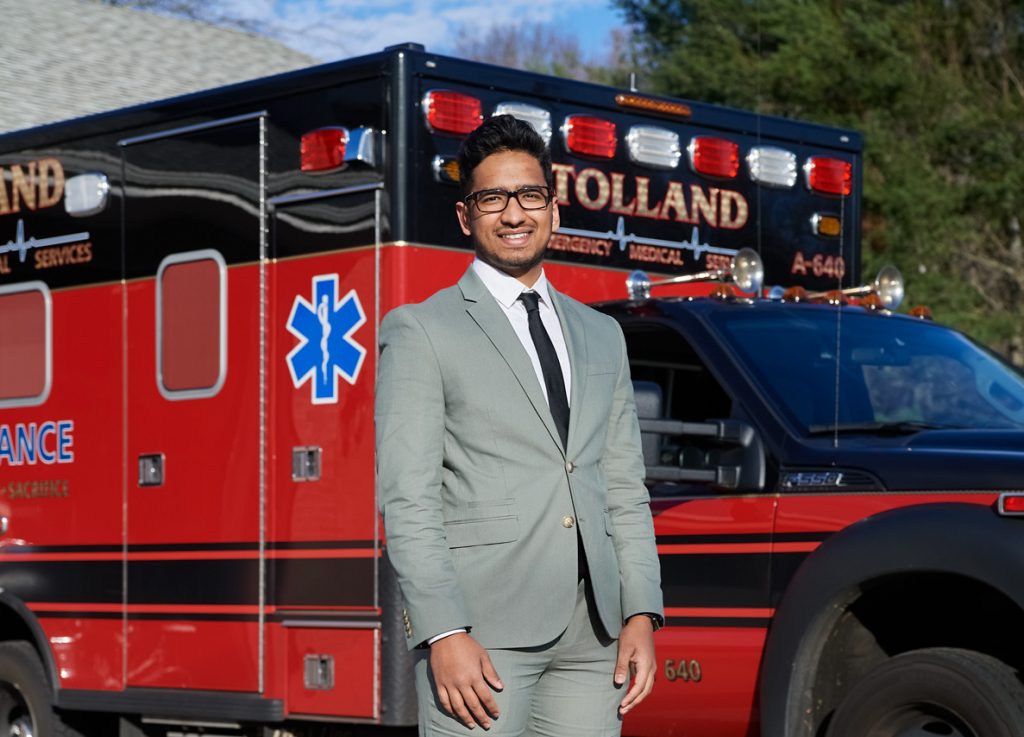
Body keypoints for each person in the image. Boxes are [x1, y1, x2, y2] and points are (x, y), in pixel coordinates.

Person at [375, 114, 663, 737]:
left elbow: (623, 486)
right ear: (465, 216)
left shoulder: (602, 334)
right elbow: (408, 496)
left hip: (596, 637)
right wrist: (444, 630)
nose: (513, 214)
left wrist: (641, 609)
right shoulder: (421, 330)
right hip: (483, 633)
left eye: (530, 196)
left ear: (554, 210)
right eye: (492, 198)